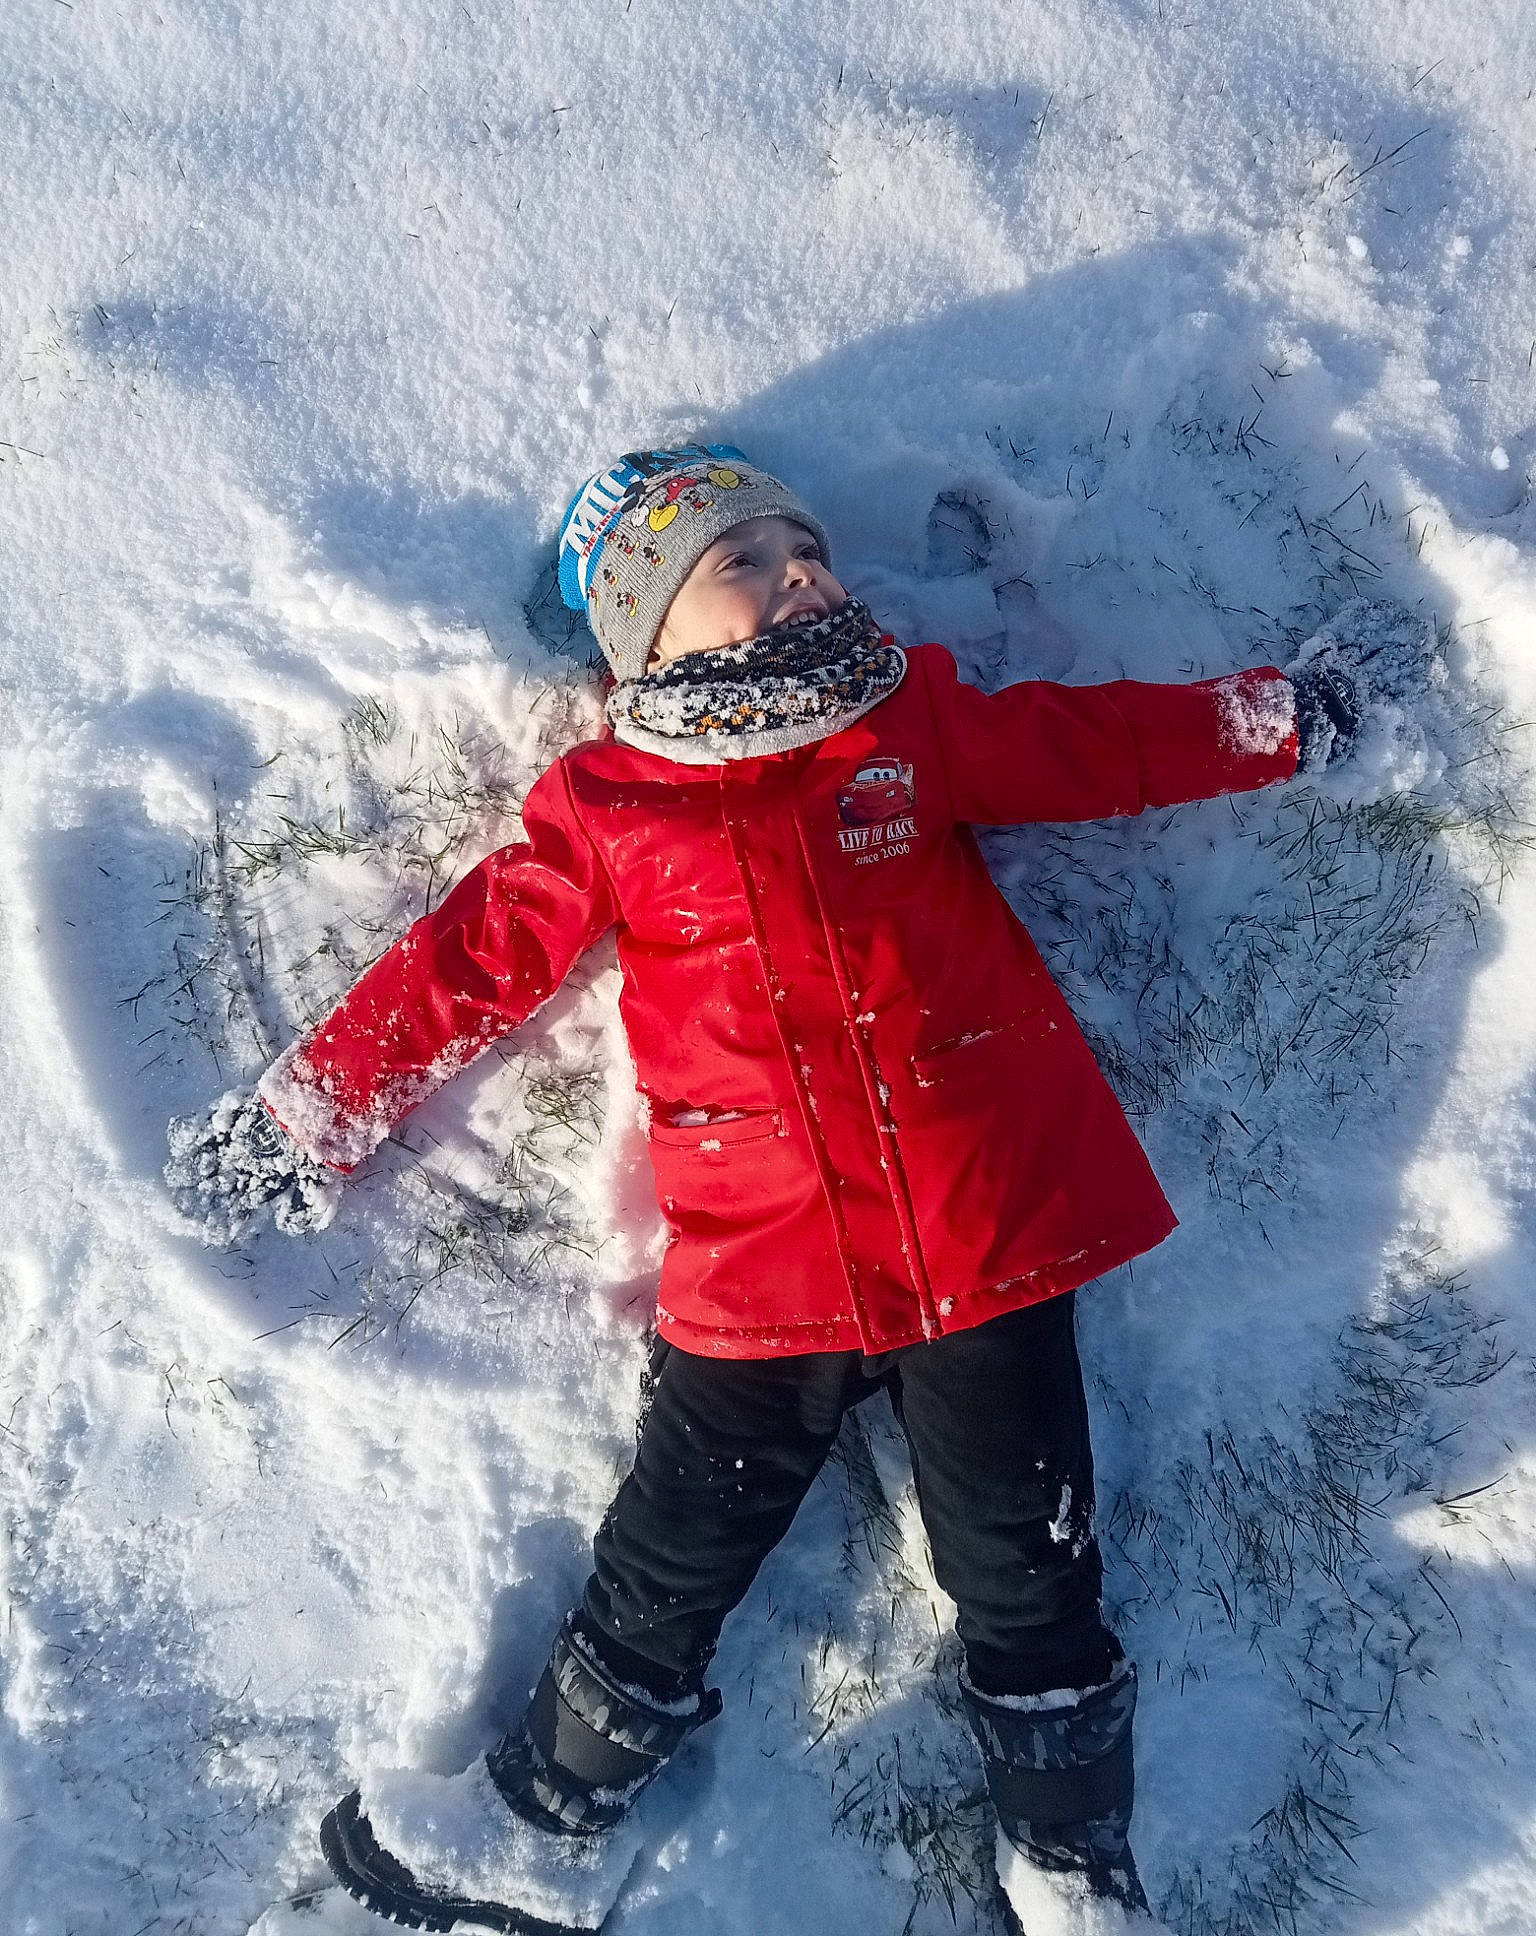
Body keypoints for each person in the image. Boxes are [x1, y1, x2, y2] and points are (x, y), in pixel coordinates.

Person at [166, 444, 1392, 1935]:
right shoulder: (611, 804)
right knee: (668, 1553)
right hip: (762, 1271)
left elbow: (1094, 746)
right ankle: (545, 1817)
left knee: (1027, 1558)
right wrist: (312, 1113)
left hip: (976, 1233)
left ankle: (1076, 1867)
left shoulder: (907, 724)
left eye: (807, 548)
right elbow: (468, 961)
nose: (801, 571)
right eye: (743, 560)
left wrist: (1275, 719)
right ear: (647, 630)